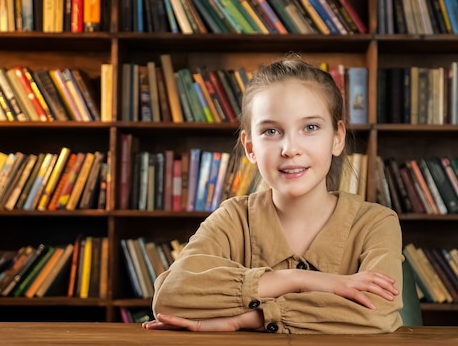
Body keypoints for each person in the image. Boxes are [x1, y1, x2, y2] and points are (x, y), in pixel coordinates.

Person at [143, 56, 404, 334]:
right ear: (250, 146)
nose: (290, 149)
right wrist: (298, 279)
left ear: (337, 137)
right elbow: (170, 297)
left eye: (311, 127)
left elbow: (377, 313)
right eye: (271, 131)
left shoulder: (376, 222)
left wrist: (249, 320)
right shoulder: (232, 218)